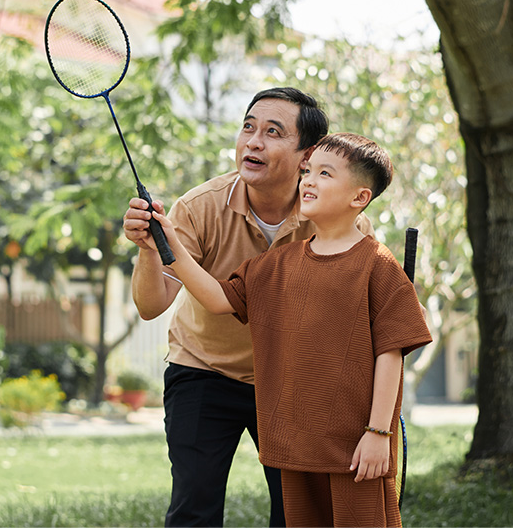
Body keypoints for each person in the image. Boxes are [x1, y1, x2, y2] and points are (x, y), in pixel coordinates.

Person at [151, 132, 432, 527]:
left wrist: (378, 432)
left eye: (324, 174)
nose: (308, 181)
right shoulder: (275, 265)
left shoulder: (378, 265)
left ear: (359, 198)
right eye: (307, 172)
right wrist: (167, 243)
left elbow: (391, 351)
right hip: (295, 445)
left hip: (356, 447)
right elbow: (216, 298)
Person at [122, 88, 374, 526]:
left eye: (273, 132)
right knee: (194, 506)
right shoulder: (199, 207)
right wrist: (149, 248)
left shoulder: (335, 217)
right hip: (204, 368)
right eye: (248, 127)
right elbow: (150, 305)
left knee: (299, 512)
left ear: (307, 154)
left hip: (291, 379)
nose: (253, 141)